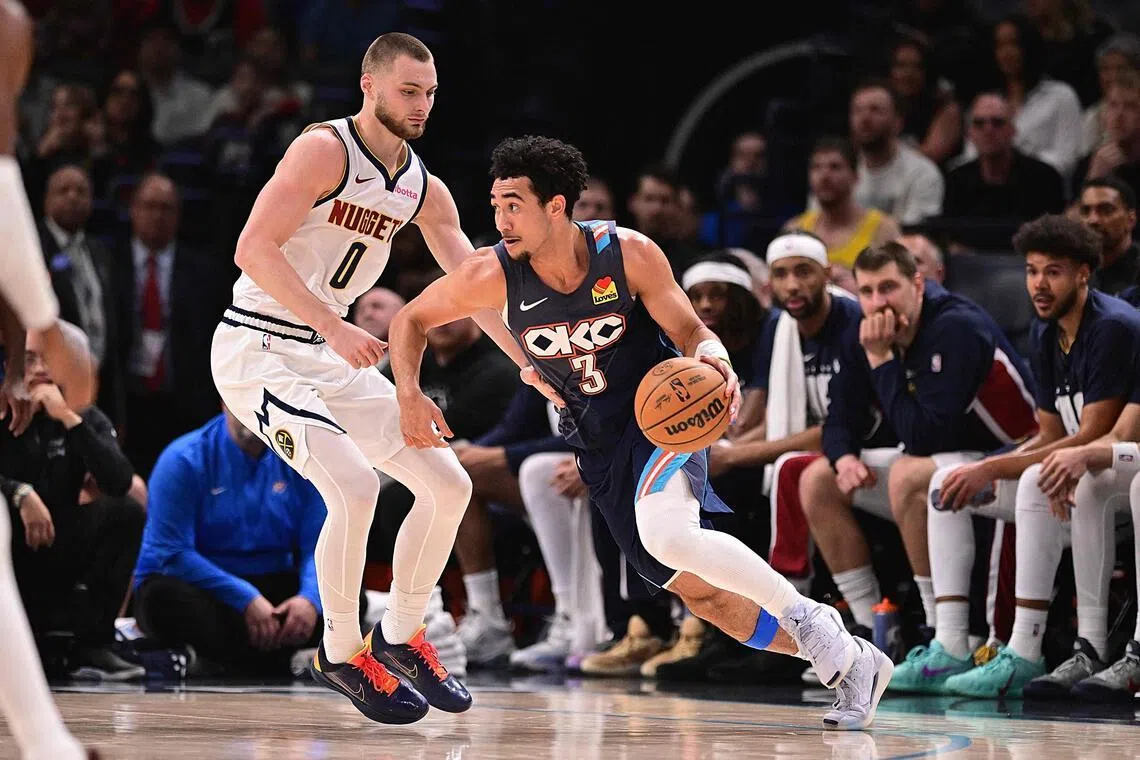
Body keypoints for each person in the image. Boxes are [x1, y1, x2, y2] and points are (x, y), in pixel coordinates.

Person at [387, 135, 894, 731]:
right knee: (706, 599)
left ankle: (812, 617)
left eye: (514, 205)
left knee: (668, 534)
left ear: (557, 206)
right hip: (596, 443)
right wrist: (409, 393)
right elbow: (409, 320)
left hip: (663, 416)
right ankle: (852, 662)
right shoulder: (492, 274)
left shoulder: (626, 253)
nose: (500, 220)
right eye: (495, 205)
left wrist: (717, 360)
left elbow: (689, 328)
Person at [209, 33, 559, 724]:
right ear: (369, 86)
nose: (422, 104)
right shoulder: (323, 150)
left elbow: (473, 284)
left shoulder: (421, 185)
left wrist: (528, 360)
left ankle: (400, 634)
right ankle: (340, 651)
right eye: (409, 90)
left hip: (328, 351)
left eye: (430, 93)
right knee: (354, 483)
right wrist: (332, 325)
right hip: (259, 346)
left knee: (448, 482)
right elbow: (252, 246)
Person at [926, 215, 1140, 698]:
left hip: (1114, 477)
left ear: (1084, 273)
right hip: (1082, 473)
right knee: (947, 483)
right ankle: (952, 641)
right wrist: (983, 468)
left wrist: (993, 465)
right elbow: (1048, 434)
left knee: (1033, 479)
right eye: (1031, 270)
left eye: (1054, 272)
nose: (1038, 285)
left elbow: (1094, 436)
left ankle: (1032, 647)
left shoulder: (1111, 329)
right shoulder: (1046, 332)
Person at [800, 242, 1038, 637]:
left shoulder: (955, 326)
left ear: (918, 284)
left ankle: (937, 628)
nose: (878, 303)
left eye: (888, 287)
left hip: (1010, 453)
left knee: (908, 474)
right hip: (944, 458)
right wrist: (844, 459)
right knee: (817, 480)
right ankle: (866, 626)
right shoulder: (867, 330)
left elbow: (925, 436)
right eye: (868, 291)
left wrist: (881, 360)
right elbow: (838, 418)